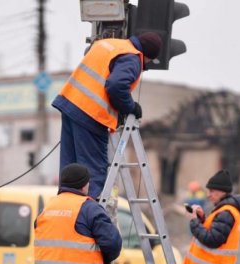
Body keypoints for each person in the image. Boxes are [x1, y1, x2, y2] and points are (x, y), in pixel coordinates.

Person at [52, 32, 163, 199]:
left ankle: (66, 208)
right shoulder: (132, 58)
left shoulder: (110, 44)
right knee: (91, 172)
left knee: (71, 170)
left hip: (70, 104)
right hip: (91, 115)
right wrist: (130, 107)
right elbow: (116, 85)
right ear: (147, 57)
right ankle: (89, 215)